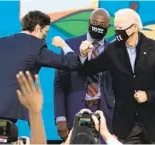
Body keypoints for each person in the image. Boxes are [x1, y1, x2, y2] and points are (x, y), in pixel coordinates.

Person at [77, 8, 155, 143]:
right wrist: (83, 55)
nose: (118, 32)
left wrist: (149, 95)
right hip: (127, 127)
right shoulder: (112, 50)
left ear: (135, 27)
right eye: (116, 28)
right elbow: (87, 69)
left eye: (121, 28)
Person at [0, 10, 79, 122]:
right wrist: (64, 45)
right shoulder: (36, 48)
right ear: (38, 28)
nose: (45, 37)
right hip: (4, 113)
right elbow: (72, 62)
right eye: (46, 32)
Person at [53, 8, 114, 141]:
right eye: (95, 22)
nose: (98, 26)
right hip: (76, 111)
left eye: (103, 25)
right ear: (89, 22)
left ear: (108, 27)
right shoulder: (70, 45)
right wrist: (60, 117)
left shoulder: (113, 50)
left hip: (105, 115)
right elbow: (60, 84)